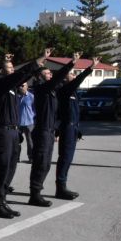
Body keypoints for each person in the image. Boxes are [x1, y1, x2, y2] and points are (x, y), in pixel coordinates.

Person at [0, 49, 49, 218]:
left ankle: (3, 200)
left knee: (11, 166)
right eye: (9, 68)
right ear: (1, 71)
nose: (13, 70)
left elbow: (22, 76)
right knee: (2, 167)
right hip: (3, 131)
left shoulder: (14, 88)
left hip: (14, 131)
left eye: (13, 67)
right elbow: (20, 74)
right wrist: (37, 60)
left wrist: (38, 66)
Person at [27, 56, 76, 206]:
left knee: (46, 164)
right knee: (40, 163)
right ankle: (34, 195)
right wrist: (71, 63)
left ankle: (37, 192)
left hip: (49, 130)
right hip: (41, 131)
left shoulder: (52, 92)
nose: (50, 75)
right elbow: (57, 79)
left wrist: (56, 130)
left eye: (50, 73)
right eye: (47, 73)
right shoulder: (41, 88)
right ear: (40, 76)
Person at [54, 57, 97, 199]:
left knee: (69, 158)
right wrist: (90, 69)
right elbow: (79, 80)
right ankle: (60, 188)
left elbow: (75, 114)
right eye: (72, 74)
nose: (74, 76)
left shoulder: (73, 93)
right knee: (65, 158)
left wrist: (77, 130)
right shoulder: (64, 90)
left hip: (72, 128)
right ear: (66, 79)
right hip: (66, 128)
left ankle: (63, 186)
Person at [18, 81, 35, 162]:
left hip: (29, 122)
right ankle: (16, 157)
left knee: (30, 141)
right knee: (17, 141)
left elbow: (35, 108)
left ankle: (31, 157)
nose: (21, 87)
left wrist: (32, 116)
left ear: (27, 86)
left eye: (23, 85)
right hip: (18, 123)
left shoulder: (31, 97)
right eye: (20, 86)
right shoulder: (17, 96)